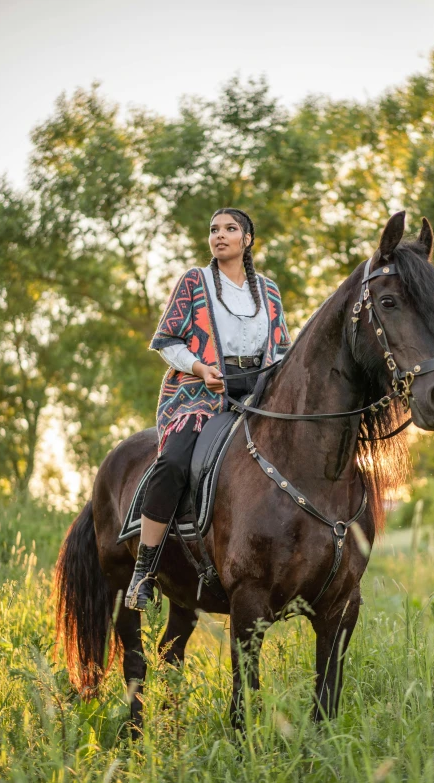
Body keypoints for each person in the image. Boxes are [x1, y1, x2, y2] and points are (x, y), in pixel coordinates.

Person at [125, 208, 291, 609]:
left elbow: (282, 348)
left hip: (258, 391)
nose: (220, 236)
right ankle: (144, 570)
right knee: (173, 462)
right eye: (213, 229)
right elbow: (167, 341)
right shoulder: (193, 282)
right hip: (199, 392)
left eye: (230, 229)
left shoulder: (268, 291)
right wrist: (201, 367)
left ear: (246, 239)